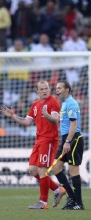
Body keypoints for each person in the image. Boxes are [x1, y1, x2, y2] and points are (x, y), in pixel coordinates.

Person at [1, 80, 66, 209]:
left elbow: (54, 120)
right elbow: (27, 122)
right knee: (32, 170)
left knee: (42, 170)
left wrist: (47, 115)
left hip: (49, 140)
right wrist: (13, 116)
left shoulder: (53, 102)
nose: (45, 91)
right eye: (42, 89)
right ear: (37, 91)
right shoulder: (35, 105)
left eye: (46, 88)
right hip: (39, 140)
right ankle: (58, 189)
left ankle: (43, 202)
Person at [52, 81, 84, 210]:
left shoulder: (71, 103)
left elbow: (74, 124)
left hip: (73, 138)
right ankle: (71, 197)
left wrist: (68, 141)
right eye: (56, 88)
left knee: (73, 170)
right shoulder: (64, 104)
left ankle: (79, 203)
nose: (57, 90)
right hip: (66, 138)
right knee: (55, 167)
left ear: (67, 90)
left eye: (59, 88)